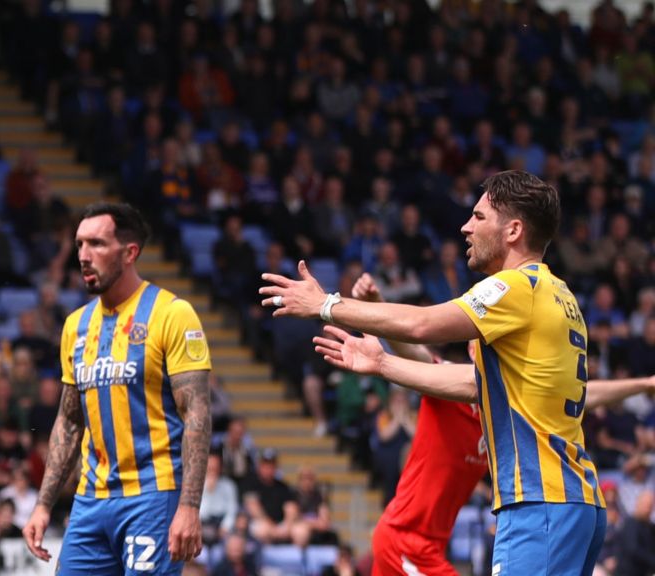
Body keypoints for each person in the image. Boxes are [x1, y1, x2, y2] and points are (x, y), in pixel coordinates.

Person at [262, 170, 604, 574]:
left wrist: (325, 304)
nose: (465, 226)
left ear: (513, 230)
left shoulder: (517, 287)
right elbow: (469, 383)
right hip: (577, 501)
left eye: (478, 217)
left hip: (540, 503)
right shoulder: (562, 296)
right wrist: (383, 363)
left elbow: (422, 324)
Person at [348, 273, 655, 575]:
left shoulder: (509, 407)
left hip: (431, 545)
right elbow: (412, 349)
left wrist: (643, 383)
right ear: (473, 351)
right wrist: (378, 303)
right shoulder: (446, 383)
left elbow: (585, 394)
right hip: (404, 541)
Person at [22, 203, 212, 574]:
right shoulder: (75, 326)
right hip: (91, 499)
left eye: (96, 244)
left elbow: (197, 414)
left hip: (153, 498)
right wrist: (44, 503)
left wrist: (189, 506)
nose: (83, 256)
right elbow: (69, 420)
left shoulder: (172, 314)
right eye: (79, 245)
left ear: (129, 253)